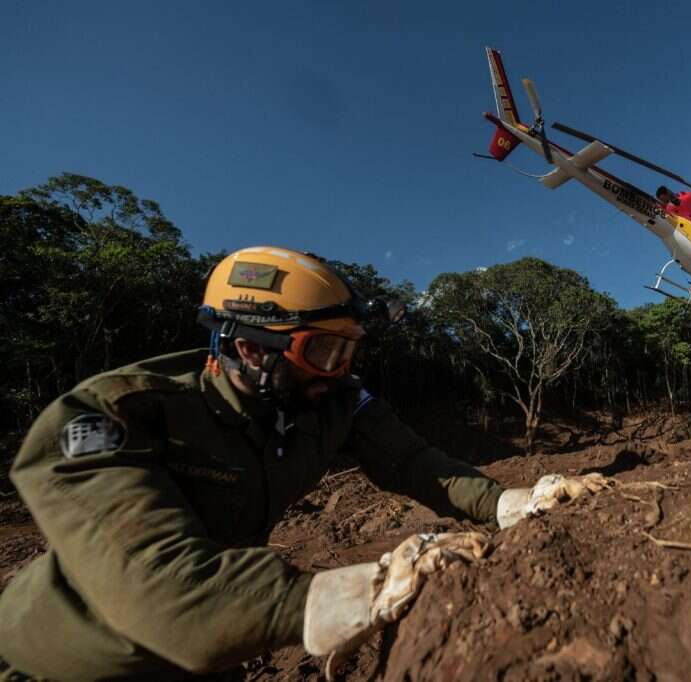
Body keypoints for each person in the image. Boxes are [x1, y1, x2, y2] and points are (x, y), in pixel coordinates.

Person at [0, 246, 607, 680]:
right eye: (322, 351)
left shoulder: (326, 399)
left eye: (348, 351)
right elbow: (165, 592)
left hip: (217, 651)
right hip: (72, 661)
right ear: (248, 347)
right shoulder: (111, 417)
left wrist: (510, 503)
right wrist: (355, 595)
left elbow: (416, 463)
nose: (339, 371)